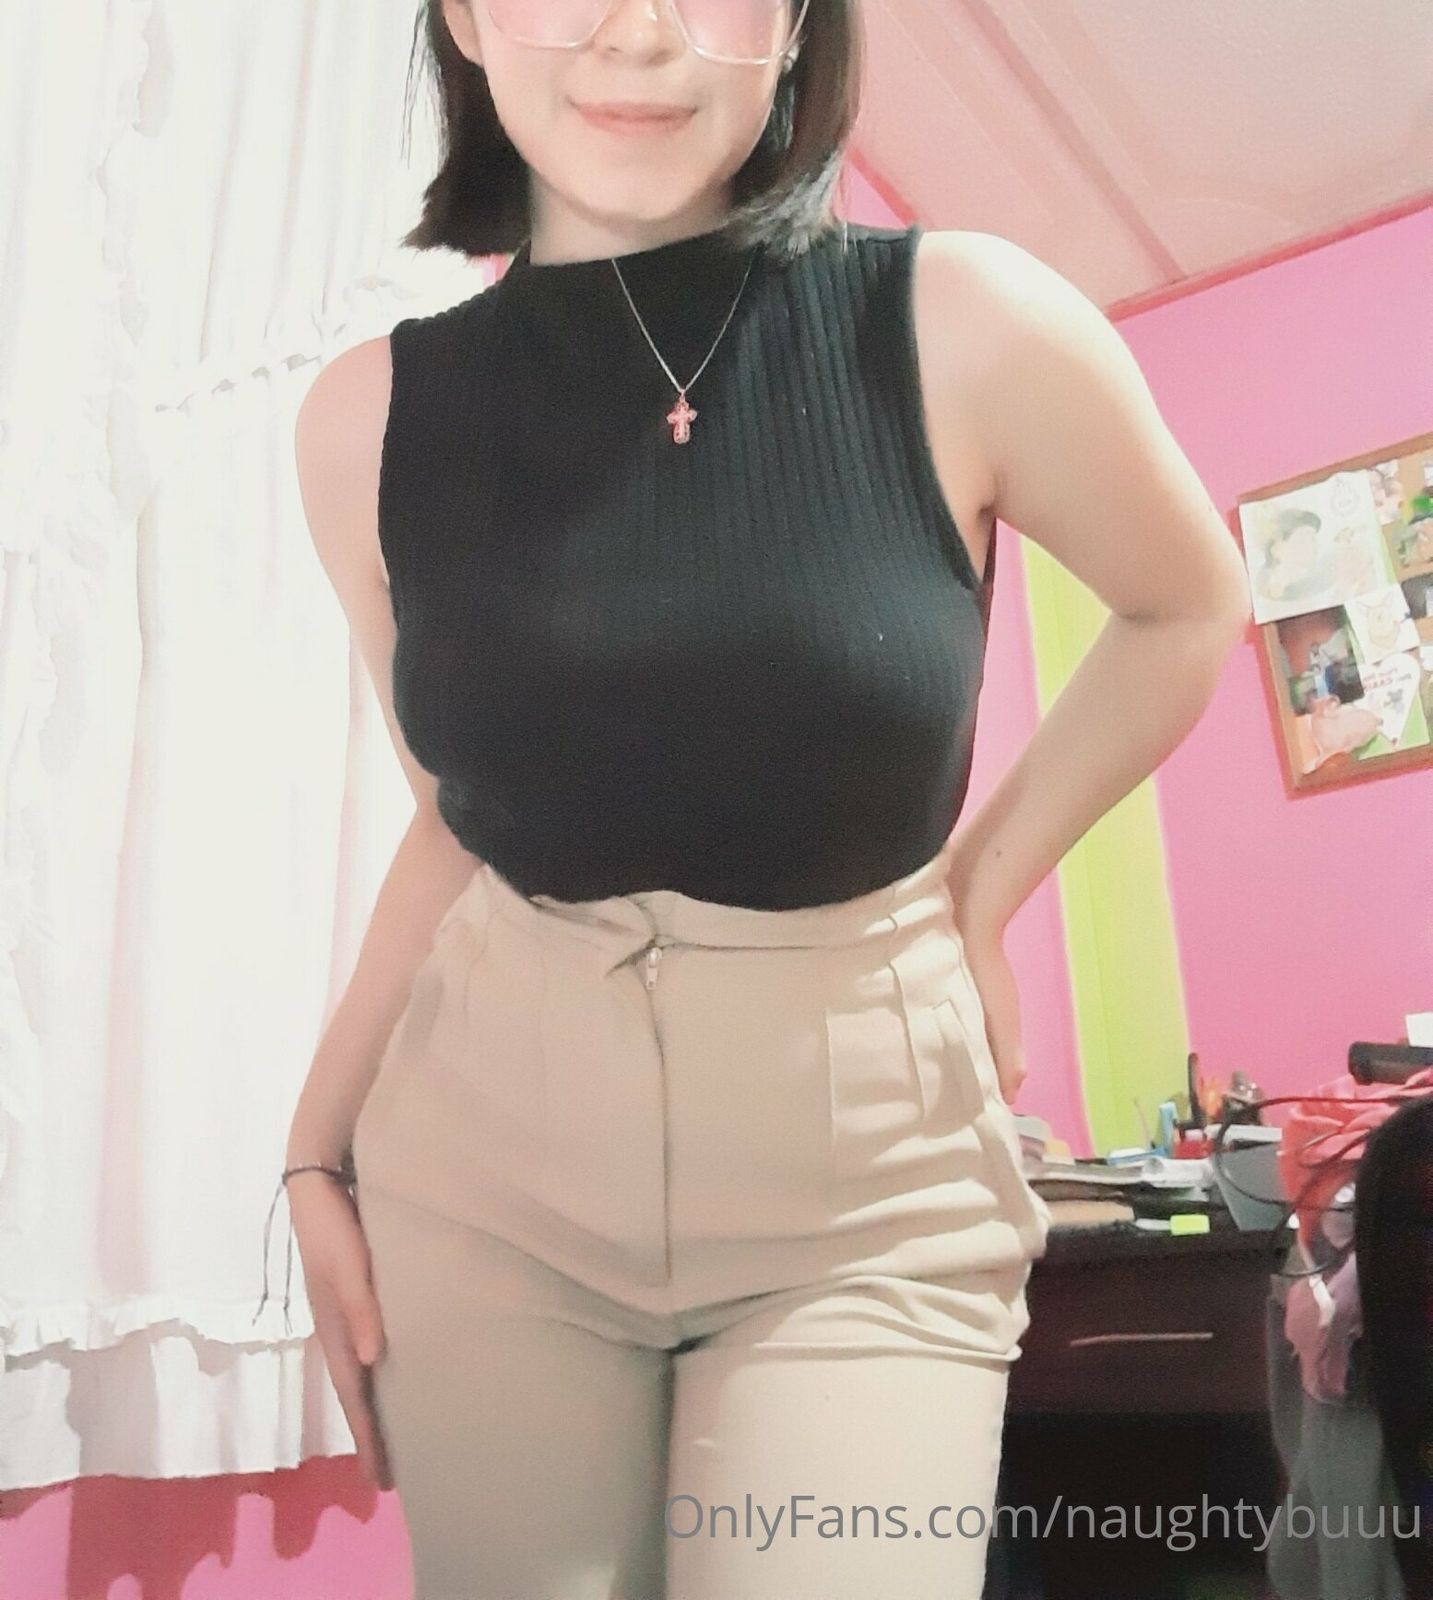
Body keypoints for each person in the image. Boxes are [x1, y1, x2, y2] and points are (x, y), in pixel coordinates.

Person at [266, 0, 1253, 1594]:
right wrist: (314, 1149)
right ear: (463, 16)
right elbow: (464, 815)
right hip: (483, 1172)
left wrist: (979, 891)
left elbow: (1184, 602)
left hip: (863, 1185)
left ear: (796, 22)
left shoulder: (966, 320)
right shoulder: (360, 422)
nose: (637, 34)